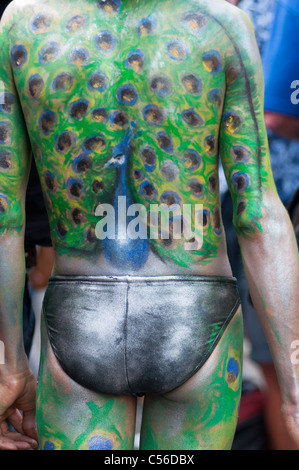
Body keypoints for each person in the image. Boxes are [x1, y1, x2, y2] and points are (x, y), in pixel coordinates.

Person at [0, 0, 299, 451]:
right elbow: (258, 215)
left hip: (80, 316)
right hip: (197, 317)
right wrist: (294, 387)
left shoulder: (24, 25)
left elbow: (6, 215)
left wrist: (10, 364)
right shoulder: (220, 25)